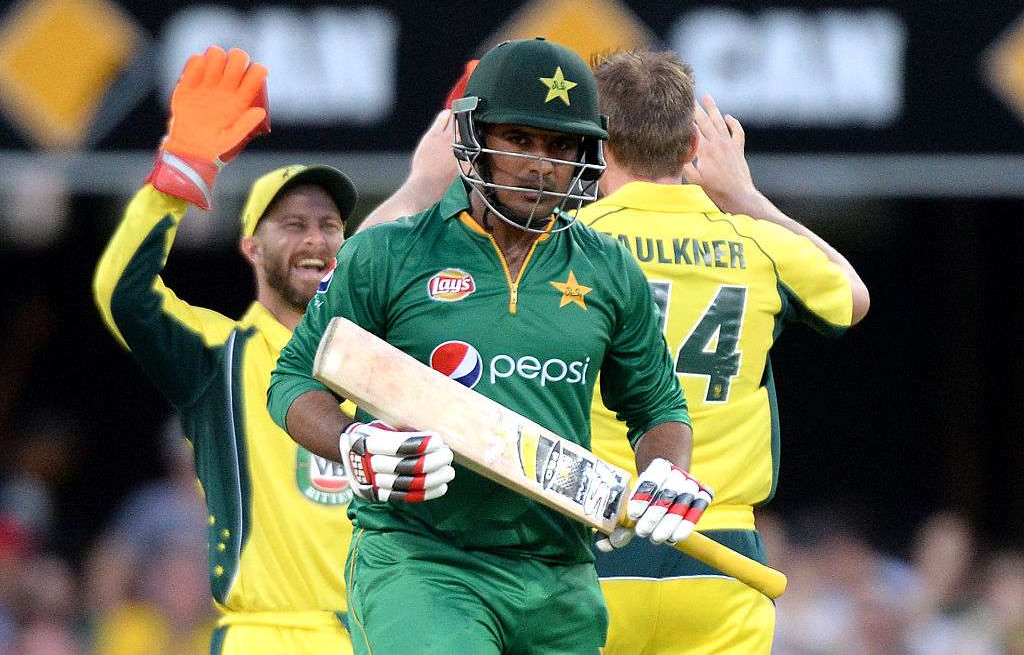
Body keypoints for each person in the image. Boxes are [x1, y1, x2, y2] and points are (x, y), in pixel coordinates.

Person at [267, 38, 713, 655]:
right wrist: (351, 441)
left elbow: (659, 407)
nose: (541, 164)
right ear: (474, 135)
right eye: (519, 139)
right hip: (424, 562)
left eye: (561, 146)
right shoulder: (389, 255)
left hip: (561, 574)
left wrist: (666, 471)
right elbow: (292, 380)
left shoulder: (610, 269)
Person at [579, 50, 870, 654]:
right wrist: (747, 196)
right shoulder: (756, 242)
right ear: (693, 147)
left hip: (590, 538)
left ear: (596, 145)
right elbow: (853, 296)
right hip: (720, 552)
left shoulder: (568, 242)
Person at [93, 45, 362, 654]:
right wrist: (182, 169)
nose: (315, 239)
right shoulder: (220, 355)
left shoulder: (382, 357)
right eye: (293, 225)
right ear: (250, 248)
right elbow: (124, 293)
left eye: (329, 226)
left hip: (379, 634)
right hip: (266, 636)